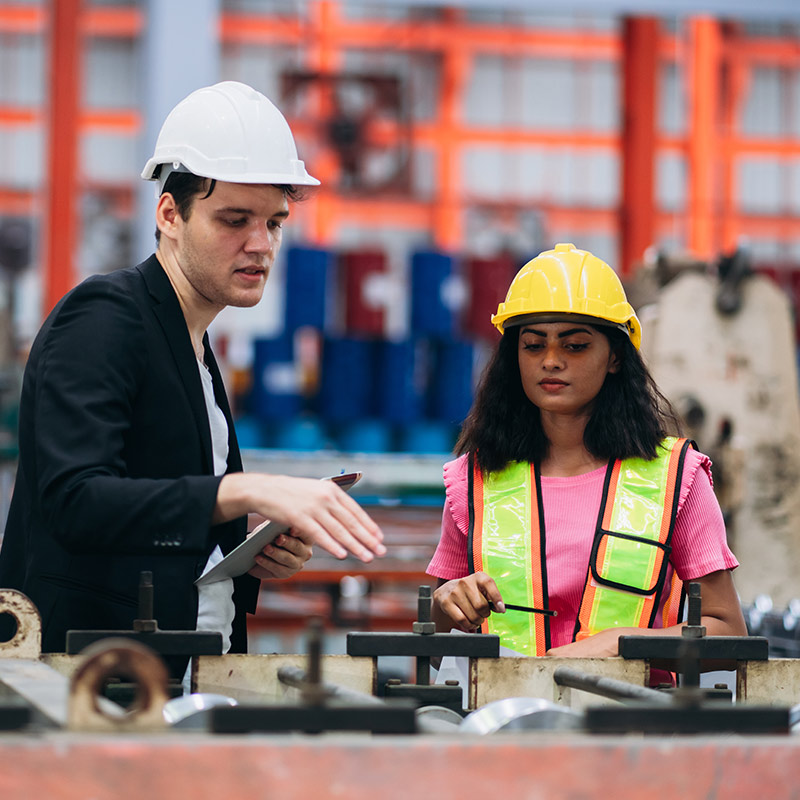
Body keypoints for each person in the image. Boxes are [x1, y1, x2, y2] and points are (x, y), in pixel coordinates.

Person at [0, 81, 385, 675]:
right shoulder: (105, 316)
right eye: (235, 220)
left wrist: (247, 543)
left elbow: (158, 512)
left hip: (185, 675)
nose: (261, 244)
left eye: (275, 222)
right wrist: (245, 491)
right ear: (170, 214)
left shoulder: (195, 349)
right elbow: (74, 500)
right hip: (94, 686)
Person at [427, 242, 747, 667]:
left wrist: (622, 643)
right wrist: (446, 602)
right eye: (533, 345)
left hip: (632, 722)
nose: (551, 361)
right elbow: (431, 641)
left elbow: (728, 635)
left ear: (615, 357)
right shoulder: (474, 482)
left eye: (575, 346)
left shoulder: (677, 478)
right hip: (503, 722)